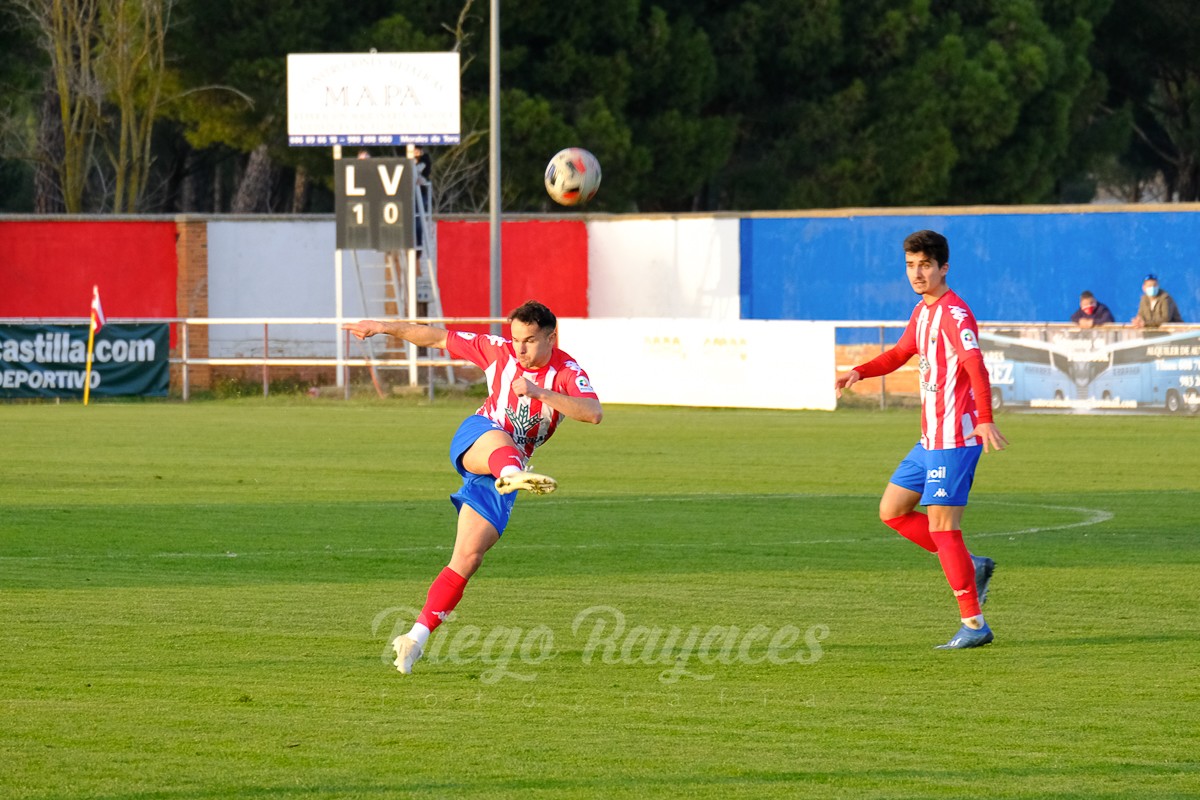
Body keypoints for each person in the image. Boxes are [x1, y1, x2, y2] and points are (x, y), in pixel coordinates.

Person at [343, 301, 602, 674]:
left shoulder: (566, 371)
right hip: (479, 438)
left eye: (530, 340)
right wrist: (383, 327)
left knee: (468, 557)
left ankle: (413, 639)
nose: (520, 348)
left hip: (501, 474)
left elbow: (593, 413)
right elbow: (436, 337)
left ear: (551, 337)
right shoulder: (496, 351)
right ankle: (512, 472)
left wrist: (540, 393)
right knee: (502, 444)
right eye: (516, 339)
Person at [834, 230, 1009, 650]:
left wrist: (985, 420)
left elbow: (976, 366)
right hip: (930, 438)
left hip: (955, 438)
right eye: (911, 265)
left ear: (943, 268)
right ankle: (970, 566)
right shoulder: (923, 310)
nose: (917, 273)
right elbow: (900, 353)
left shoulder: (955, 314)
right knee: (892, 511)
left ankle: (974, 624)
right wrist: (860, 371)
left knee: (943, 528)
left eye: (925, 265)